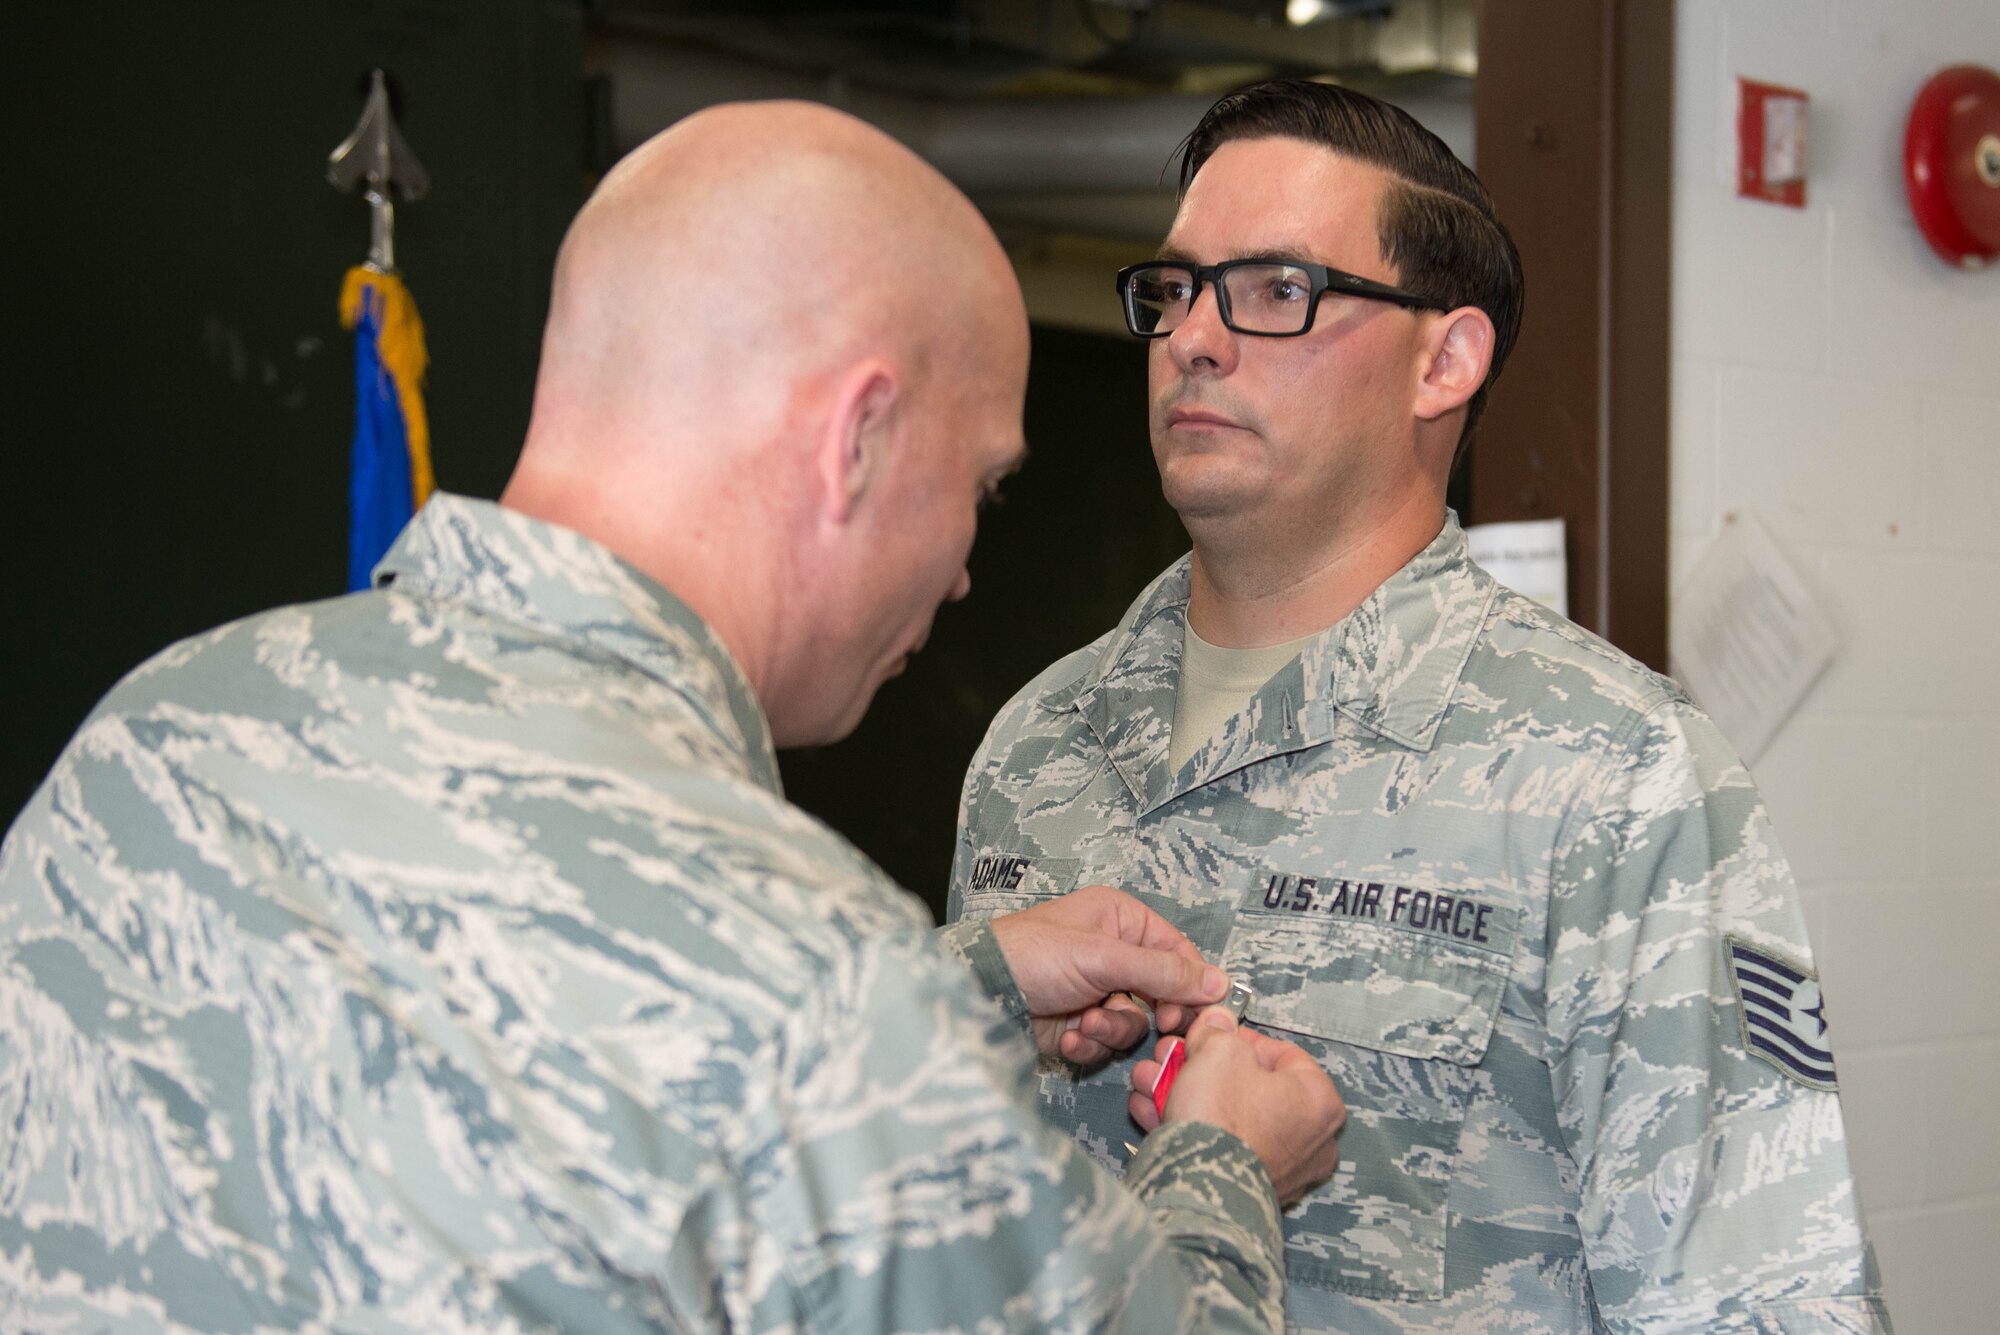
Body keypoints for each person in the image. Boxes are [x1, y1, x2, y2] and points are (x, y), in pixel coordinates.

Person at [0, 101, 1347, 1332]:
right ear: (856, 439)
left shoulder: (156, 732)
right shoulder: (820, 988)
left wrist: (970, 988)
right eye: (980, 485)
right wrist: (1222, 1172)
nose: (964, 567)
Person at [949, 80, 1891, 1332]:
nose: (1193, 339)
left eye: (1276, 289)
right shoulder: (1035, 745)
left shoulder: (1608, 776)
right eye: (1173, 290)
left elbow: (1760, 1302)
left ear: (1442, 361)